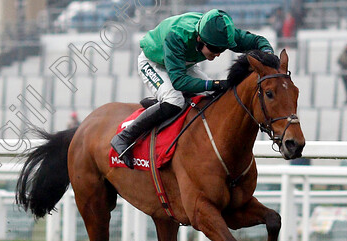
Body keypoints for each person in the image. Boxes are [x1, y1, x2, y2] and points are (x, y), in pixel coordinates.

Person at [110, 9, 273, 168]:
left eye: (222, 49)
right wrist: (216, 83)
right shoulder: (177, 35)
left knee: (214, 94)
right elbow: (179, 82)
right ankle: (124, 137)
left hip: (181, 63)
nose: (218, 54)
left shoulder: (222, 31)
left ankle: (160, 103)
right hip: (154, 62)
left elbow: (259, 41)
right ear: (200, 39)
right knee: (175, 100)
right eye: (215, 49)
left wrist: (268, 55)